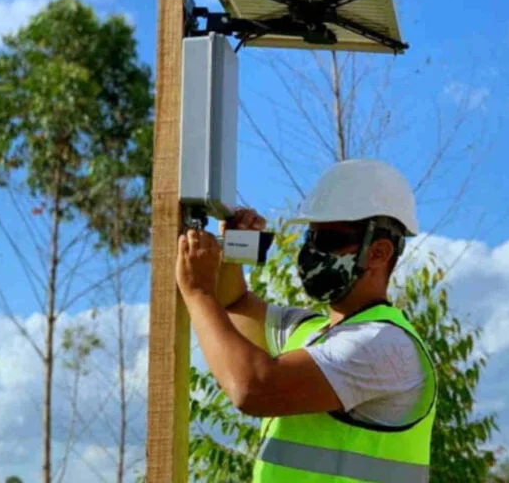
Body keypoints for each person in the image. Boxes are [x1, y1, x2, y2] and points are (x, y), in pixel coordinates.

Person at [176, 158, 437, 482]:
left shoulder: (383, 345)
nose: (311, 251)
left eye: (328, 240)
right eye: (310, 237)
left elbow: (252, 389)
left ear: (379, 253)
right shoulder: (310, 333)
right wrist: (236, 252)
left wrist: (199, 292)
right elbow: (236, 305)